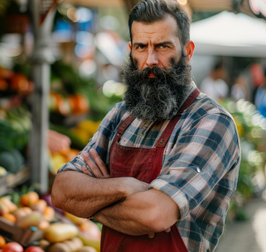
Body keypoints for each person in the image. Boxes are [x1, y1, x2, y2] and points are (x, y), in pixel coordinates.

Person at [51, 1, 241, 252]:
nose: (150, 60)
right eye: (141, 47)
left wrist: (91, 202)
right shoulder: (121, 116)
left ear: (188, 51)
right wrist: (124, 186)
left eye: (162, 46)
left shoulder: (211, 122)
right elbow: (62, 191)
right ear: (131, 50)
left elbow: (154, 214)